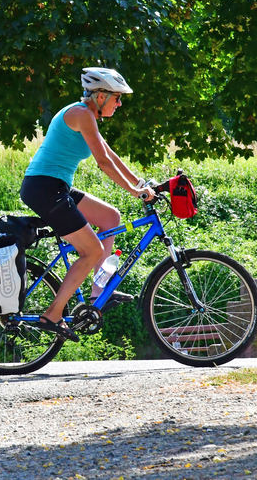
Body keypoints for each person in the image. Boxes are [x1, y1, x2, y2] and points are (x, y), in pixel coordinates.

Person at [19, 68, 155, 342]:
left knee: (110, 217)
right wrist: (134, 191)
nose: (119, 104)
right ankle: (53, 314)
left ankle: (98, 290)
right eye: (117, 98)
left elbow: (111, 156)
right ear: (101, 96)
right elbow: (102, 163)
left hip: (56, 186)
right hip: (44, 188)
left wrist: (140, 183)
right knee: (91, 251)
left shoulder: (88, 116)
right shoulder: (81, 114)